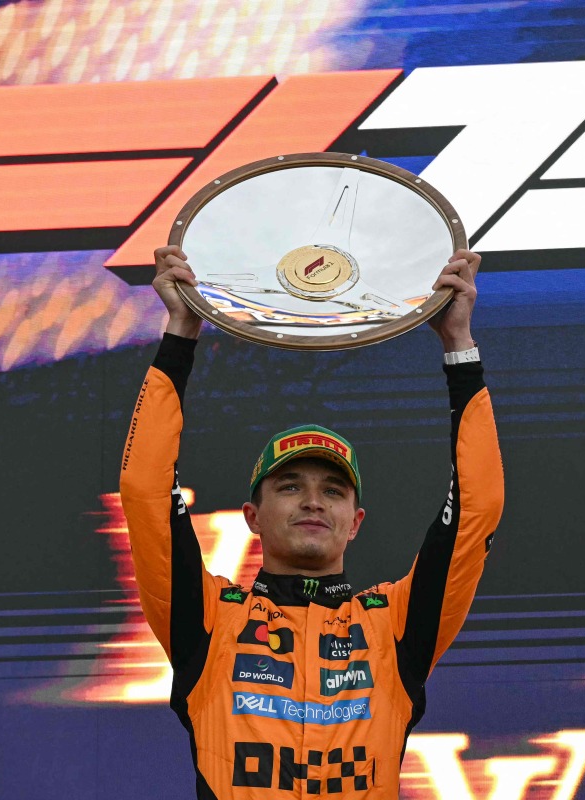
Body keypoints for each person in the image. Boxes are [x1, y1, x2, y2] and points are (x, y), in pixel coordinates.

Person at [119, 244, 504, 798]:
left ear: (356, 521)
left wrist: (458, 348)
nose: (313, 501)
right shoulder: (207, 620)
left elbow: (477, 510)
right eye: (290, 486)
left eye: (333, 490)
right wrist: (180, 336)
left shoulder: (394, 627)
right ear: (251, 517)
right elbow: (145, 492)